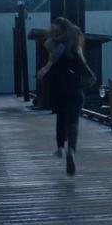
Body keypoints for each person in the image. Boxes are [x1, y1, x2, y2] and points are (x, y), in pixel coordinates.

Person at [37, 17, 88, 175]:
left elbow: (56, 54)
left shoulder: (53, 43)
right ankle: (71, 149)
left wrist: (46, 67)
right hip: (74, 85)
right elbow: (82, 61)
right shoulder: (75, 40)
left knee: (61, 117)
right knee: (73, 121)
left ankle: (60, 147)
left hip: (58, 86)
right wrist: (89, 75)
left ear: (57, 27)